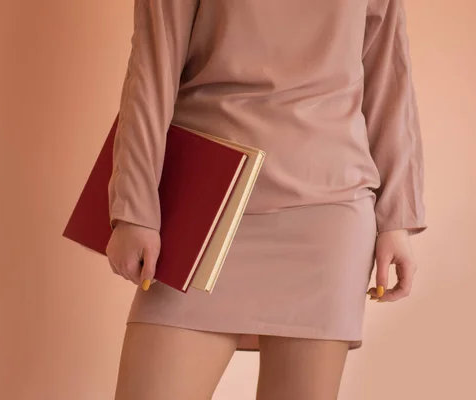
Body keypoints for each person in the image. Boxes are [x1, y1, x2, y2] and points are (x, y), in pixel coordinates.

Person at [105, 0, 427, 398]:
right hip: (207, 206)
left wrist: (396, 219)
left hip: (327, 212)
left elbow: (387, 75)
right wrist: (134, 208)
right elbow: (152, 68)